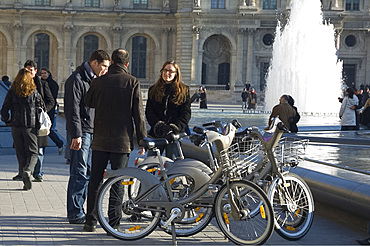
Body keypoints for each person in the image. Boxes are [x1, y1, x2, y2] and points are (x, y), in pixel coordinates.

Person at [83, 49, 147, 232]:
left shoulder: (98, 81)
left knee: (95, 180)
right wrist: (142, 140)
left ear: (111, 62)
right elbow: (139, 115)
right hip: (122, 141)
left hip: (100, 139)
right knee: (117, 181)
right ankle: (113, 222)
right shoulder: (133, 82)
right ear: (127, 64)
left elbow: (89, 102)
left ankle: (90, 221)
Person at [64, 49, 110, 224]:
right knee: (79, 172)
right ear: (95, 63)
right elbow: (72, 110)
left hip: (91, 131)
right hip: (81, 132)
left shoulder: (93, 80)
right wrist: (76, 134)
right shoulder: (77, 79)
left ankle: (79, 209)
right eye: (104, 66)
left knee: (88, 172)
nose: (106, 70)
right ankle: (75, 213)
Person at [1, 68, 45, 190]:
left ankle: (25, 181)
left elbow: (4, 109)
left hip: (16, 126)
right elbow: (42, 108)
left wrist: (7, 120)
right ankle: (28, 170)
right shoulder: (33, 92)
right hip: (30, 127)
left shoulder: (12, 92)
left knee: (20, 152)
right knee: (33, 152)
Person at [12, 60, 55, 182]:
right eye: (27, 70)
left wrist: (42, 111)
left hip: (37, 122)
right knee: (22, 150)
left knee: (38, 150)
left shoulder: (41, 83)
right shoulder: (18, 85)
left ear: (35, 71)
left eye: (31, 70)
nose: (29, 72)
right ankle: (23, 173)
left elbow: (51, 101)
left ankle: (37, 173)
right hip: (23, 122)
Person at [145, 60, 191, 160]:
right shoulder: (153, 89)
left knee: (172, 163)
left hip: (174, 135)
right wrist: (160, 126)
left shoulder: (184, 90)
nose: (167, 73)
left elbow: (186, 113)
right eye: (165, 70)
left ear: (176, 74)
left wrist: (174, 128)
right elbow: (149, 112)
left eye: (170, 71)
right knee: (151, 162)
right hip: (157, 133)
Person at [40, 67, 64, 155]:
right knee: (44, 130)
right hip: (42, 109)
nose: (43, 75)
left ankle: (59, 143)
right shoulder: (40, 83)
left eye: (45, 73)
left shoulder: (53, 84)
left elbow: (52, 99)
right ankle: (42, 150)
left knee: (47, 129)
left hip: (49, 109)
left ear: (49, 74)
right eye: (42, 73)